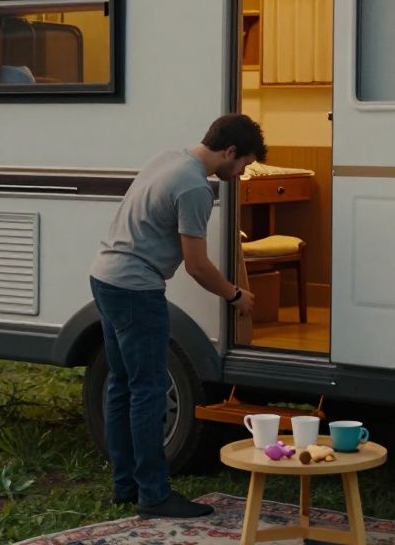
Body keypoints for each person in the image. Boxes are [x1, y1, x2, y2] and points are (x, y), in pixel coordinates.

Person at [89, 114, 266, 518]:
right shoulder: (195, 187)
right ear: (230, 151)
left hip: (104, 276)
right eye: (244, 165)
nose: (240, 174)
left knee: (122, 385)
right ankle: (153, 495)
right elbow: (197, 265)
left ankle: (125, 485)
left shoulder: (168, 159)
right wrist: (235, 294)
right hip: (135, 289)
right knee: (149, 390)